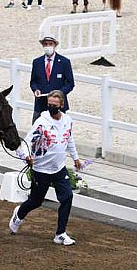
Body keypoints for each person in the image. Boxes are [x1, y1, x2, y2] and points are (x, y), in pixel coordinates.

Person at [9, 90, 82, 246]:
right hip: (41, 169)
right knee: (36, 201)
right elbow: (27, 141)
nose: (51, 108)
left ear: (61, 105)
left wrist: (76, 158)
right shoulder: (42, 122)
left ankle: (60, 233)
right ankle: (18, 215)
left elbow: (69, 139)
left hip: (59, 168)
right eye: (49, 105)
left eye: (54, 105)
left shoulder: (68, 120)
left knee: (67, 197)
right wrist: (26, 156)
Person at [30, 36, 75, 123]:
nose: (48, 46)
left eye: (50, 44)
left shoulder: (64, 62)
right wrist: (36, 90)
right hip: (41, 104)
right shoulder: (37, 62)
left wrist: (59, 94)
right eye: (45, 44)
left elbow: (70, 83)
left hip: (58, 105)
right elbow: (33, 81)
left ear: (55, 45)